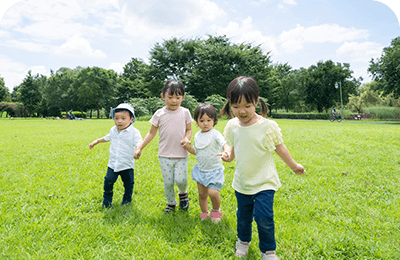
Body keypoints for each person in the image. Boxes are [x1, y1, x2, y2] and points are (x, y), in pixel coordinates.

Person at [220, 76, 306, 260]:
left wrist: (294, 166)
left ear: (257, 102)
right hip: (242, 182)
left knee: (264, 218)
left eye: (247, 106)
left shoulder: (267, 126)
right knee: (243, 217)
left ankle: (268, 251)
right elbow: (231, 147)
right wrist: (227, 154)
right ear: (230, 104)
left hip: (264, 182)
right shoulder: (232, 126)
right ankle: (243, 241)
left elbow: (279, 148)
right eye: (236, 106)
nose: (241, 111)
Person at [134, 80, 194, 214]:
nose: (174, 101)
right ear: (163, 96)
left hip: (181, 154)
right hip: (164, 154)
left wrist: (186, 138)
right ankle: (171, 204)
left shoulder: (185, 112)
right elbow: (151, 132)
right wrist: (140, 147)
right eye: (170, 97)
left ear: (183, 97)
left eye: (178, 98)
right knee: (168, 183)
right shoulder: (159, 114)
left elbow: (189, 130)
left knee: (181, 179)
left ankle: (183, 195)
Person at [181, 103, 230, 223]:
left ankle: (216, 211)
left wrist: (226, 151)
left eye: (209, 120)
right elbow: (196, 152)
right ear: (197, 122)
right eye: (202, 120)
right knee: (202, 195)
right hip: (201, 170)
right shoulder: (197, 136)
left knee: (213, 193)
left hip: (214, 170)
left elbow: (224, 144)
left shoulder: (215, 133)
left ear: (214, 120)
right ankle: (204, 212)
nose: (205, 123)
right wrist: (188, 147)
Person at [89, 103, 142, 208]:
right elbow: (107, 137)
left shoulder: (134, 132)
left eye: (123, 118)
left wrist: (138, 150)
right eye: (116, 118)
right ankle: (107, 200)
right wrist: (96, 141)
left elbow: (139, 143)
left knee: (128, 184)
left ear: (131, 119)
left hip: (127, 164)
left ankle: (127, 200)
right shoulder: (113, 130)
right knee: (108, 181)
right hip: (113, 164)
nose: (119, 121)